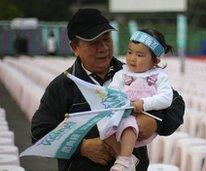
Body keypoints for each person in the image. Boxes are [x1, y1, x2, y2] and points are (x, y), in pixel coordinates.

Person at [30, 8, 185, 171]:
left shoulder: (133, 74)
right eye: (93, 43)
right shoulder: (62, 87)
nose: (103, 48)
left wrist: (156, 124)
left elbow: (176, 104)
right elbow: (39, 134)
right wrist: (82, 147)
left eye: (107, 39)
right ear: (75, 47)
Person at [105, 29, 173, 170]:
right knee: (104, 128)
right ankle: (128, 158)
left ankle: (124, 159)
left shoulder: (158, 76)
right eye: (130, 52)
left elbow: (166, 98)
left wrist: (143, 104)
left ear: (155, 61)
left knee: (129, 124)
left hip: (142, 120)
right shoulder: (121, 74)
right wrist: (120, 102)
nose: (132, 58)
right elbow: (111, 93)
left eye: (139, 55)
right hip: (123, 116)